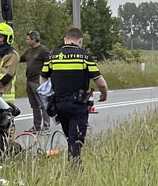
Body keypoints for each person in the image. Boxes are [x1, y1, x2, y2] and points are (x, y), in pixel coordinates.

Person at [40, 27, 108, 162]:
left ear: (65, 40)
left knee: (70, 137)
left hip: (59, 105)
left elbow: (43, 78)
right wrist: (104, 94)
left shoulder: (52, 57)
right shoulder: (84, 57)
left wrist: (48, 95)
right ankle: (74, 168)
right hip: (78, 105)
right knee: (76, 139)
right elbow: (100, 83)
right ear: (80, 41)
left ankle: (72, 162)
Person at [21, 30, 51, 131]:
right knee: (34, 105)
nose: (26, 41)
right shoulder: (29, 51)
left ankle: (46, 126)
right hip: (29, 80)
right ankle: (36, 126)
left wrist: (47, 76)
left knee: (42, 104)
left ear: (34, 39)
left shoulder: (43, 50)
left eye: (28, 39)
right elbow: (20, 58)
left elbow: (50, 61)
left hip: (38, 81)